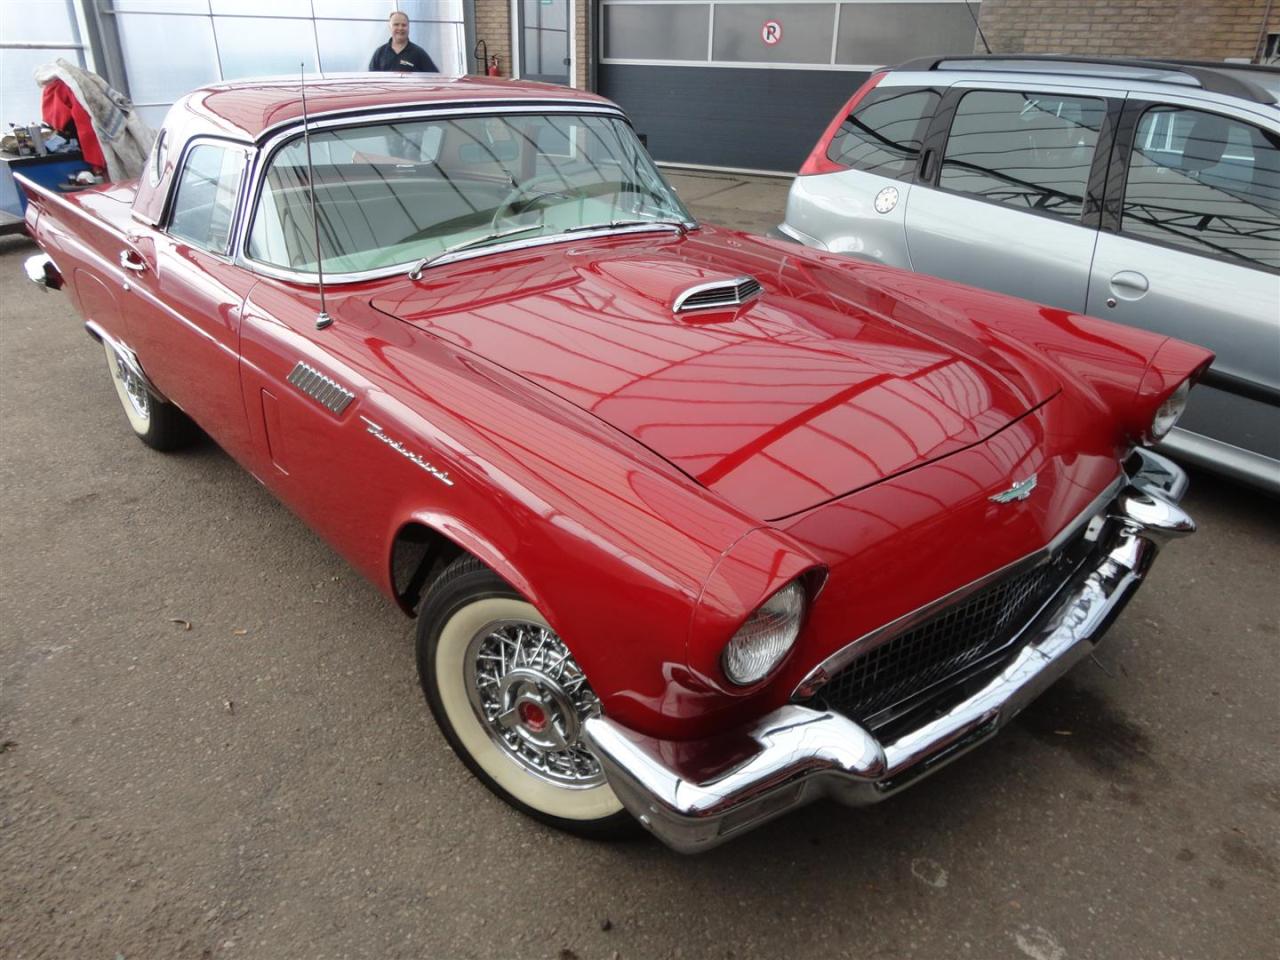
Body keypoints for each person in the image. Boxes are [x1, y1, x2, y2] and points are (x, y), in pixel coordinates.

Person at [368, 11, 438, 73]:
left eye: (404, 25)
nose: (400, 28)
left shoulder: (418, 53)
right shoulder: (380, 53)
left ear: (408, 27)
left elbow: (435, 77)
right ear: (390, 27)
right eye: (396, 24)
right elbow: (371, 80)